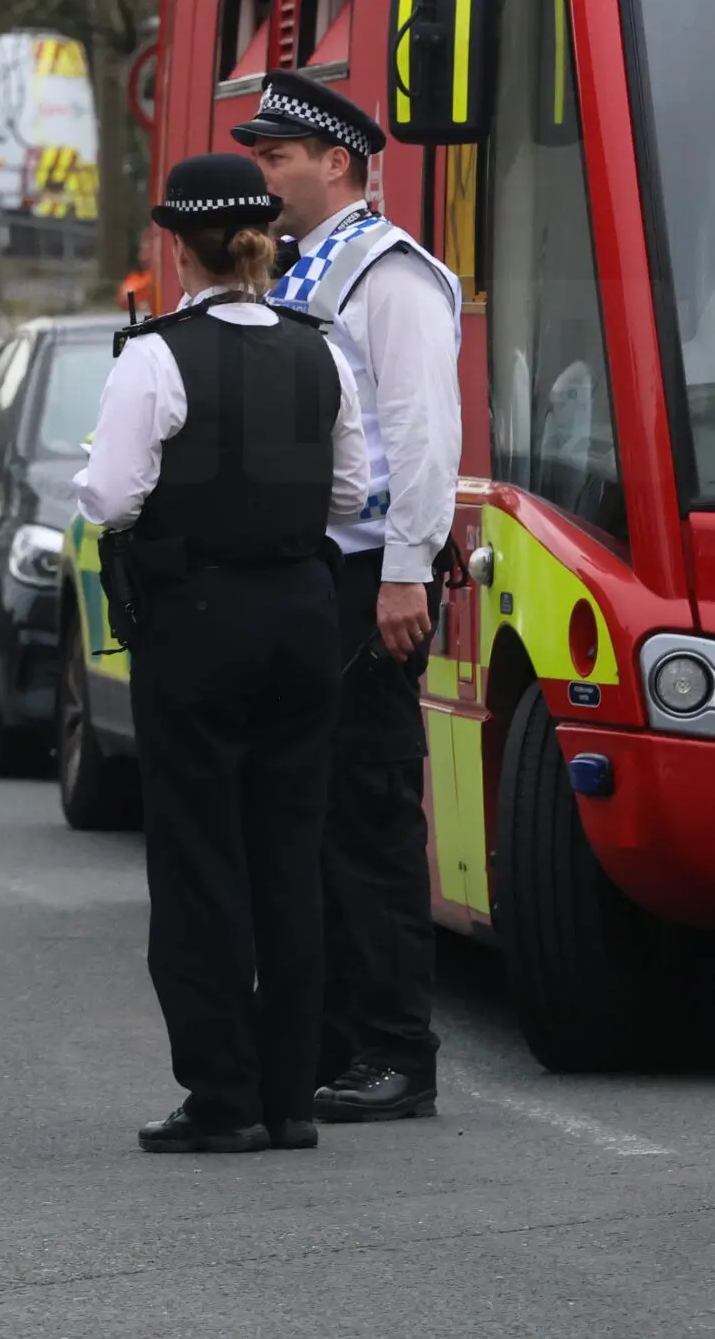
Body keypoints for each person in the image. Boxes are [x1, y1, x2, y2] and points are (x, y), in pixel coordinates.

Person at [76, 153, 368, 1154]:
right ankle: (292, 1092)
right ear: (257, 239)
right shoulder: (318, 349)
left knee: (201, 860)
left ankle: (222, 1093)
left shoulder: (155, 357)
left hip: (197, 616)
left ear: (176, 244)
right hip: (301, 610)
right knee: (290, 853)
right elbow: (347, 494)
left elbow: (110, 497)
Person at [235, 73, 461, 1126]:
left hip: (370, 570)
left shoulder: (390, 274)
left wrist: (408, 566)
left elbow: (422, 432)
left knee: (367, 814)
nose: (264, 173)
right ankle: (329, 1033)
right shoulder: (308, 267)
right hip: (313, 568)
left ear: (337, 162)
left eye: (278, 157)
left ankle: (393, 1048)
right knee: (310, 813)